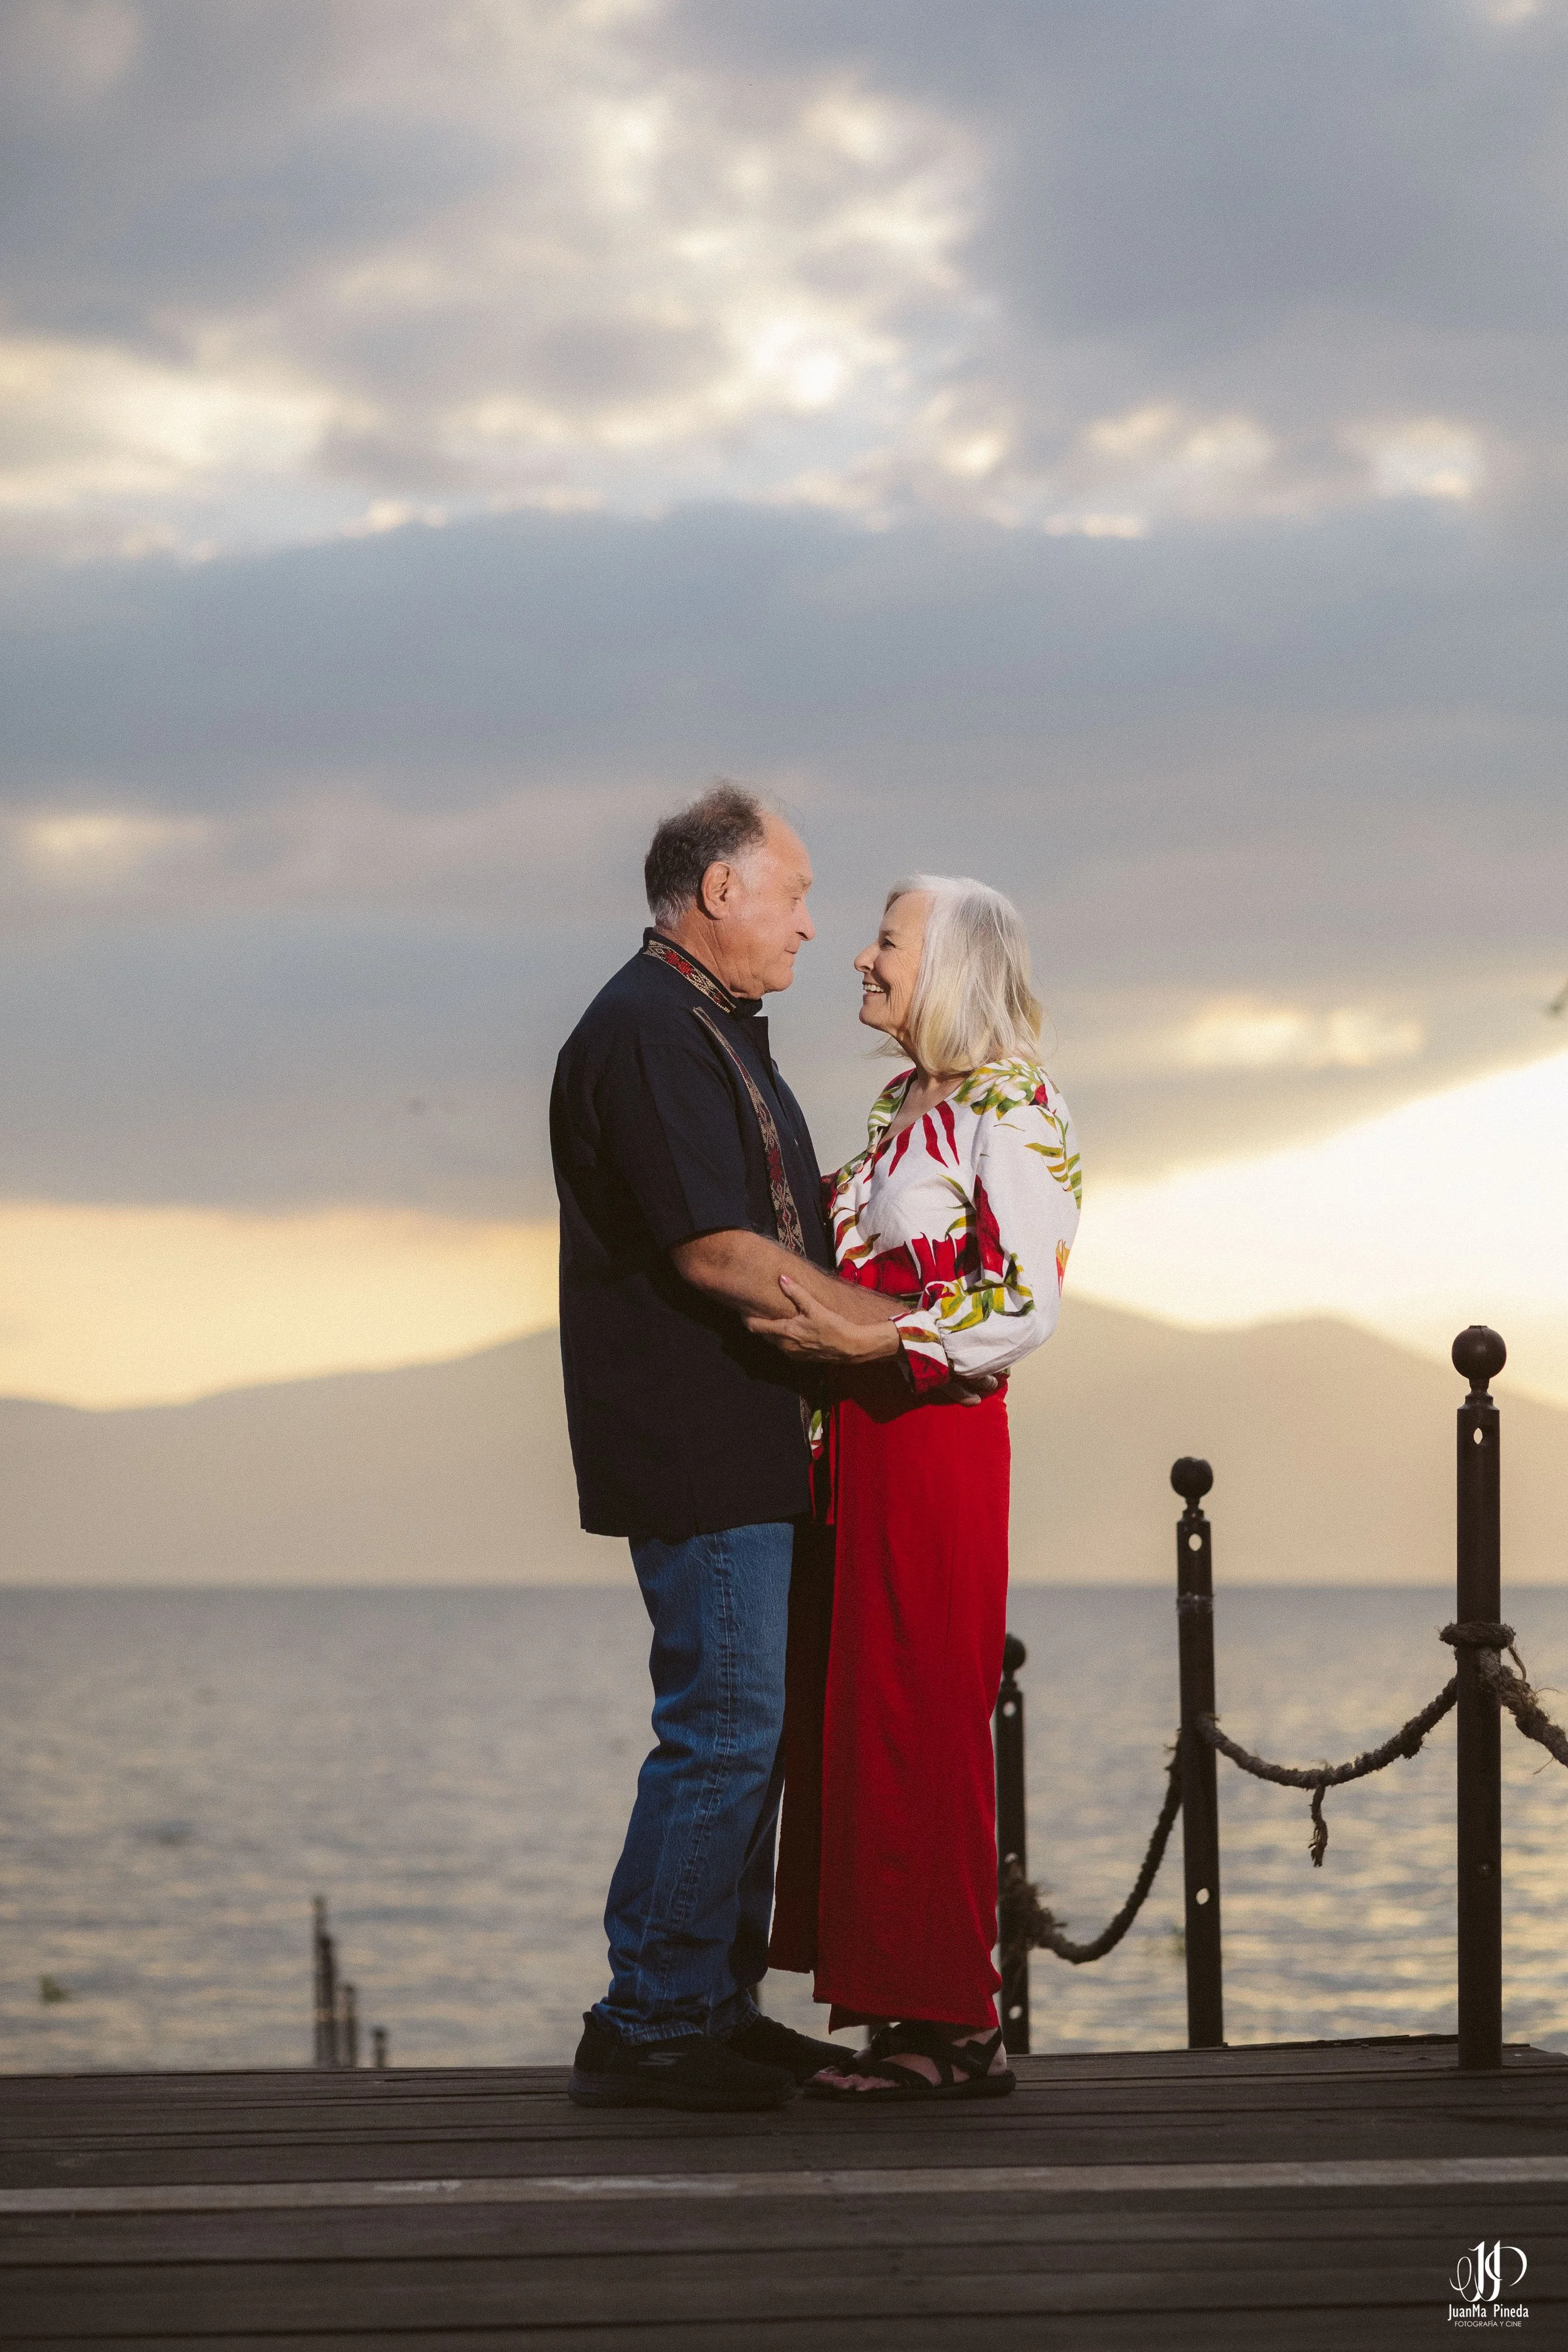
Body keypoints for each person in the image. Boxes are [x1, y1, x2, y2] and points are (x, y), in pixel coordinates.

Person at [549, 783, 908, 2112]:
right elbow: (717, 1250)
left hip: (746, 1438)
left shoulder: (706, 1027)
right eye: (796, 893)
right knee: (719, 1729)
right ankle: (650, 2021)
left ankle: (703, 2002)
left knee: (736, 1732)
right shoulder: (649, 1029)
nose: (814, 928)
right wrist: (915, 1337)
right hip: (698, 1439)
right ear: (717, 892)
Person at [749, 875, 1081, 2099]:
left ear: (945, 961)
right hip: (858, 1447)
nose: (858, 959)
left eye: (884, 940)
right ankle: (902, 2017)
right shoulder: (903, 1105)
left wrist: (872, 1348)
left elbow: (1023, 1301)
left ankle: (956, 2027)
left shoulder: (1016, 1104)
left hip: (935, 1442)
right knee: (857, 1716)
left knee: (924, 1716)